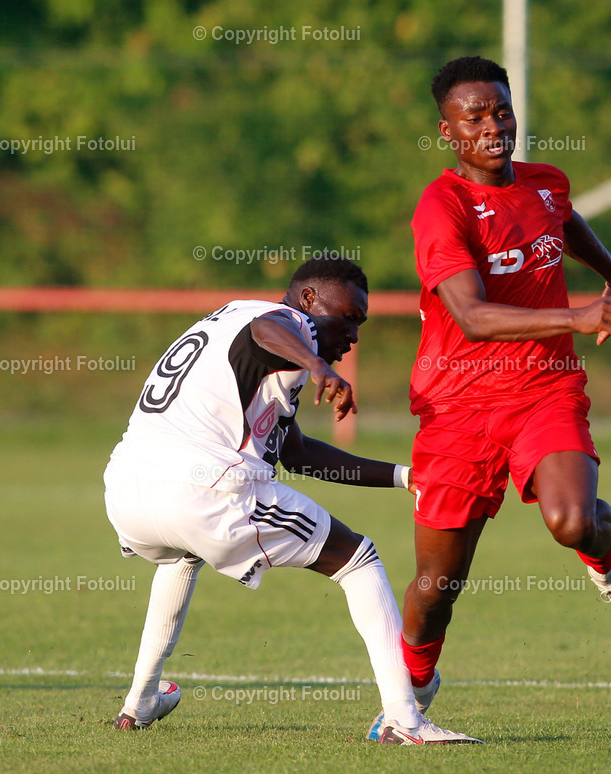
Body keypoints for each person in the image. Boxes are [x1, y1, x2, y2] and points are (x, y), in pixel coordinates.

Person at [373, 56, 611, 729]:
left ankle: (606, 558)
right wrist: (580, 315)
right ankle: (413, 687)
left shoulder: (545, 185)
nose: (495, 127)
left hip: (544, 389)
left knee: (571, 521)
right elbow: (471, 315)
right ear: (449, 132)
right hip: (456, 409)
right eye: (476, 117)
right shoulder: (440, 208)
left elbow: (563, 219)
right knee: (437, 588)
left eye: (502, 111)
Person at [104, 255, 479, 744]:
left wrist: (406, 477)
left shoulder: (230, 321)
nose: (354, 334)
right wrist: (318, 365)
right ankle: (403, 720)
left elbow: (297, 453)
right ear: (308, 299)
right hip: (202, 489)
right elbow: (269, 328)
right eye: (349, 317)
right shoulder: (284, 323)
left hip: (126, 490)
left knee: (182, 555)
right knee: (358, 560)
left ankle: (140, 701)